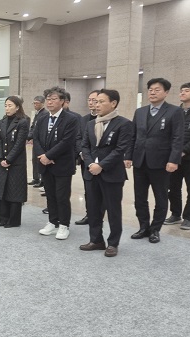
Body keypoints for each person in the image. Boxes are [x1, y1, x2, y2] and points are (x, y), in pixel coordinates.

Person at [127, 78, 184, 244]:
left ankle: (155, 229)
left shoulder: (174, 111)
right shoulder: (140, 112)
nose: (152, 92)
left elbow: (178, 138)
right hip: (140, 161)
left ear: (166, 92)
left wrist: (174, 160)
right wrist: (128, 155)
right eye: (150, 89)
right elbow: (133, 136)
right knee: (139, 197)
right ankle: (143, 226)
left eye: (157, 89)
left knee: (160, 197)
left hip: (161, 162)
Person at [79, 89, 133, 257]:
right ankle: (96, 240)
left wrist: (101, 165)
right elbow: (85, 146)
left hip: (112, 174)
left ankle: (113, 243)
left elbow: (120, 149)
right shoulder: (90, 123)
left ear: (113, 103)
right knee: (93, 208)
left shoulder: (124, 124)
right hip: (91, 172)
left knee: (113, 209)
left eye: (101, 101)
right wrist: (90, 164)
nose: (97, 105)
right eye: (96, 102)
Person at [34, 86, 79, 240]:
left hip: (62, 164)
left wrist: (49, 155)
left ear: (62, 101)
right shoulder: (42, 119)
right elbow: (37, 139)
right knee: (50, 195)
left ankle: (64, 225)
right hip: (45, 164)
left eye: (54, 99)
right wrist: (43, 156)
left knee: (62, 196)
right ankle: (53, 222)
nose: (50, 102)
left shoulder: (71, 119)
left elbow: (67, 142)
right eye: (48, 99)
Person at [165, 82, 190, 230]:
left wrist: (184, 150)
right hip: (174, 157)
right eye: (181, 90)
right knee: (173, 188)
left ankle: (188, 218)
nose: (182, 93)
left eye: (186, 91)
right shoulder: (175, 112)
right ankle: (175, 214)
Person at [0, 96, 29, 228]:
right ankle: (3, 218)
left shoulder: (22, 121)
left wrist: (9, 159)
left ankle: (14, 220)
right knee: (3, 189)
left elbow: (19, 144)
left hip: (16, 163)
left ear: (17, 107)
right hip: (3, 161)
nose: (7, 108)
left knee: (14, 191)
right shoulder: (2, 121)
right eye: (6, 105)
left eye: (10, 105)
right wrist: (0, 158)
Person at [74, 90, 101, 225]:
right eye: (89, 100)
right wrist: (82, 154)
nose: (91, 103)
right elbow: (79, 138)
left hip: (102, 162)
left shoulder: (108, 119)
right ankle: (89, 214)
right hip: (86, 160)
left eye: (95, 100)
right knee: (88, 189)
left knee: (102, 191)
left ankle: (99, 215)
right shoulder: (83, 119)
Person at [28, 96, 47, 187]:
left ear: (43, 104)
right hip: (35, 141)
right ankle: (36, 178)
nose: (35, 105)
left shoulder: (44, 114)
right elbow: (32, 127)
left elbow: (39, 129)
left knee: (40, 161)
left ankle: (42, 180)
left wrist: (30, 136)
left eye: (37, 103)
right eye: (34, 103)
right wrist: (29, 136)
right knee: (34, 160)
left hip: (40, 142)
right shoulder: (37, 113)